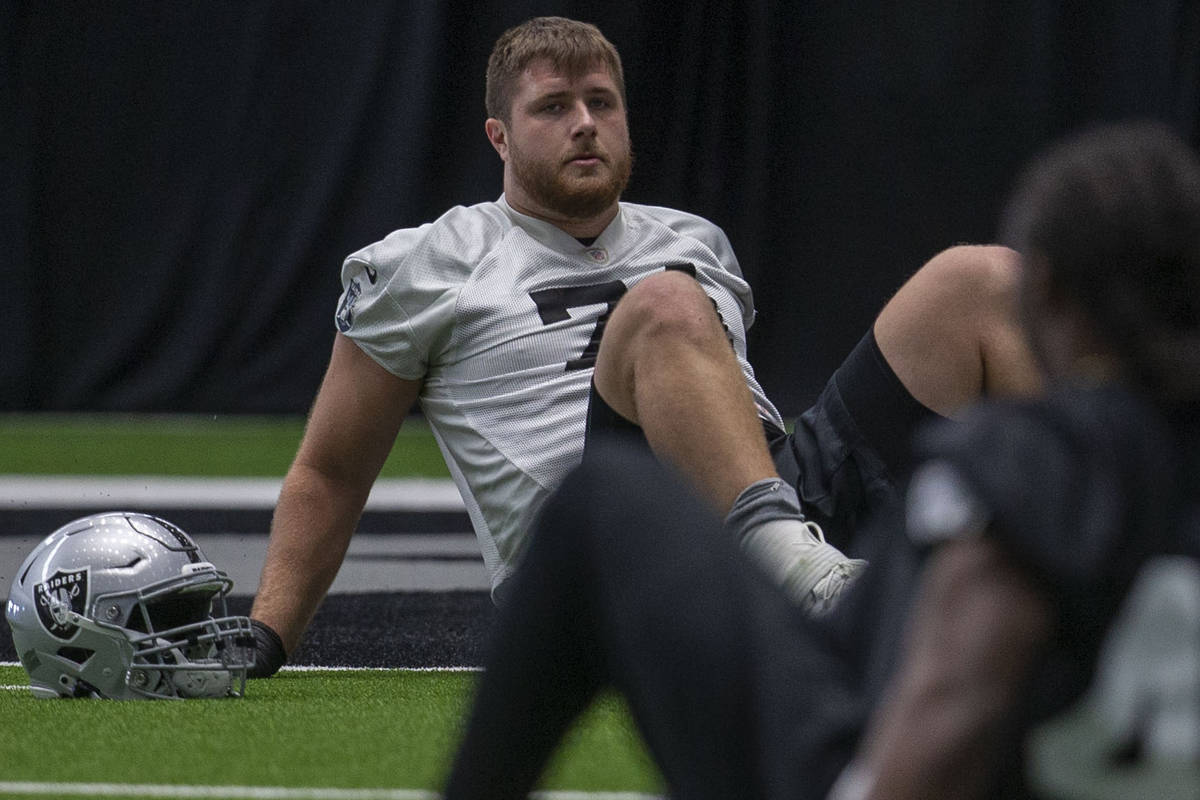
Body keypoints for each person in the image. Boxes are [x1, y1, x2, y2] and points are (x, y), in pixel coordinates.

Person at [245, 17, 1038, 675]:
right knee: (661, 302)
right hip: (605, 559)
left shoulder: (694, 239)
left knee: (979, 280)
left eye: (601, 102)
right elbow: (331, 470)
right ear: (499, 137)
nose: (585, 122)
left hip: (783, 506)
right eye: (553, 107)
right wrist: (265, 637)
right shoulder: (428, 260)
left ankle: (1104, 550)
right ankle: (803, 580)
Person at [441, 120, 1200, 799]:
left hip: (872, 742)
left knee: (600, 499)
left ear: (1055, 297)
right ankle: (796, 560)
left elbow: (953, 702)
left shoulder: (1039, 456)